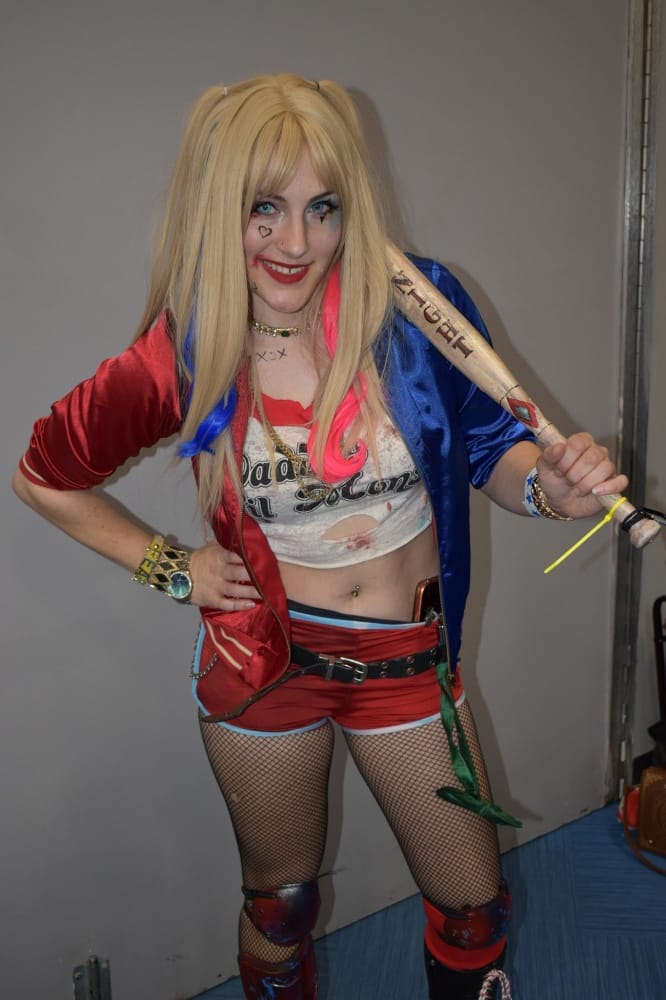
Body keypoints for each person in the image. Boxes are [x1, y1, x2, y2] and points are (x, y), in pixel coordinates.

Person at [12, 74, 628, 1000]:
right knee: (282, 906)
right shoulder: (187, 349)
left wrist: (550, 489)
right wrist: (173, 568)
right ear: (218, 207)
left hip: (407, 657)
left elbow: (492, 450)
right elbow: (44, 476)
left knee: (473, 910)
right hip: (265, 663)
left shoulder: (416, 310)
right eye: (264, 208)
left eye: (322, 208)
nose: (296, 242)